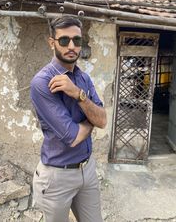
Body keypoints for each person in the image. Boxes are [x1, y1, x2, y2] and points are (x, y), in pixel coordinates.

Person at [30, 15, 107, 222]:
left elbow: (103, 120)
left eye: (77, 40)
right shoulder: (42, 82)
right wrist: (92, 118)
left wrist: (78, 94)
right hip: (57, 177)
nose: (71, 46)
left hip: (87, 169)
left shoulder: (83, 78)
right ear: (52, 43)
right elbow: (73, 137)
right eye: (64, 40)